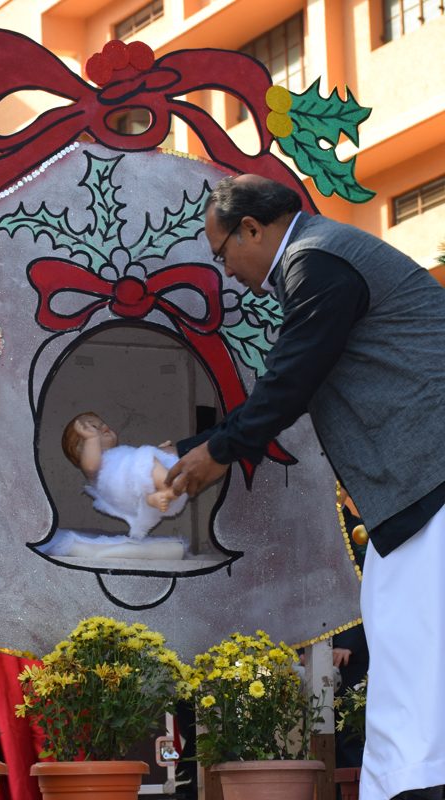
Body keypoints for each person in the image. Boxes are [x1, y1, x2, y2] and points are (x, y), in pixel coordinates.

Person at [165, 174, 445, 800]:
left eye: (222, 253)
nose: (226, 270)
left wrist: (215, 452)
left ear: (252, 229)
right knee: (404, 641)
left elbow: (289, 381)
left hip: (430, 475)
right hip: (418, 487)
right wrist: (193, 451)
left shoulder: (315, 259)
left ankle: (414, 785)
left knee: (413, 651)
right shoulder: (323, 254)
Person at [61, 412, 187, 539]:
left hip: (146, 498)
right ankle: (167, 487)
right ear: (80, 449)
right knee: (147, 459)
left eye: (103, 424)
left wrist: (163, 453)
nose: (104, 427)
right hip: (127, 488)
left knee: (161, 457)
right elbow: (90, 466)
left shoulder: (118, 457)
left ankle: (155, 497)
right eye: (93, 427)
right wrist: (91, 438)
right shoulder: (96, 468)